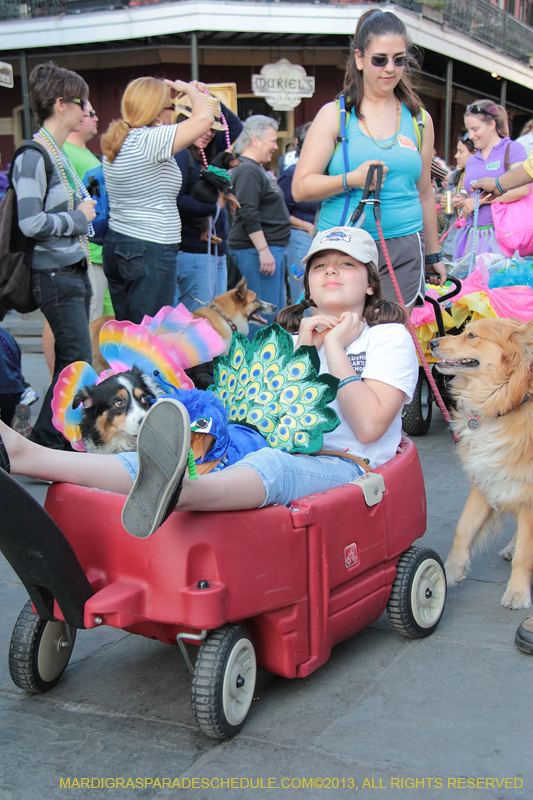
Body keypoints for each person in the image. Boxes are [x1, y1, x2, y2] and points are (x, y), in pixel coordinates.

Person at [0, 226, 418, 540]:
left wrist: (338, 352)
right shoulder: (290, 337)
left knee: (265, 465)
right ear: (307, 281)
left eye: (346, 264)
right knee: (178, 452)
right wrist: (307, 345)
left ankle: (179, 493)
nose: (332, 272)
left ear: (370, 281)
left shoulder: (387, 337)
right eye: (321, 265)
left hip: (342, 463)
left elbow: (368, 427)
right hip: (264, 444)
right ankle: (28, 455)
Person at [292, 9, 446, 311]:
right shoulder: (334, 115)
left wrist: (434, 255)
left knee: (391, 341)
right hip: (342, 248)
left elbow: (425, 193)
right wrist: (351, 179)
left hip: (403, 249)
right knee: (336, 340)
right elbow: (301, 187)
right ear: (360, 59)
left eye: (399, 59)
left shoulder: (419, 119)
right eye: (380, 59)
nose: (390, 68)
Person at [10, 62, 97, 450]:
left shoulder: (54, 152)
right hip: (55, 273)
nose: (87, 111)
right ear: (62, 105)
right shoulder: (33, 154)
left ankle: (51, 440)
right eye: (82, 103)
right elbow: (30, 222)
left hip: (69, 271)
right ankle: (48, 441)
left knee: (73, 359)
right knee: (75, 360)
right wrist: (79, 218)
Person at [101, 77, 213, 324]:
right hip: (150, 247)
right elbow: (205, 120)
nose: (173, 113)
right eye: (171, 107)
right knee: (149, 336)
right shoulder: (148, 140)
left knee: (129, 334)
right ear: (157, 112)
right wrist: (190, 90)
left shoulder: (121, 142)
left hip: (120, 242)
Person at [174, 90, 243, 311]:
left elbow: (235, 127)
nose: (209, 133)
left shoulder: (206, 154)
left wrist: (206, 95)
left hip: (214, 253)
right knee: (198, 323)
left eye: (213, 130)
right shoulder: (181, 154)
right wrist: (214, 206)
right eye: (204, 126)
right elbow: (178, 202)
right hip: (195, 252)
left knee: (214, 322)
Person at [228, 115, 291, 324]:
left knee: (271, 315)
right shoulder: (247, 169)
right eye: (272, 140)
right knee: (261, 317)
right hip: (256, 252)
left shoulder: (253, 168)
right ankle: (259, 357)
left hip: (264, 251)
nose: (275, 145)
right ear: (255, 140)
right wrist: (264, 250)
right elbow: (248, 212)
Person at [452, 99, 528, 260]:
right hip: (470, 235)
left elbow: (522, 189)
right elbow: (474, 193)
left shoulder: (513, 149)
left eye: (475, 129)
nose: (470, 136)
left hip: (501, 237)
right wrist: (464, 200)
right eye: (468, 130)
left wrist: (479, 201)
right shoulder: (472, 160)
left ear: (492, 125)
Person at [64, 99, 111, 321]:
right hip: (85, 253)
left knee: (104, 323)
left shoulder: (89, 155)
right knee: (86, 322)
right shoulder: (63, 151)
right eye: (90, 113)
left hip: (101, 252)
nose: (96, 118)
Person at [278, 123, 319, 304]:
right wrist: (307, 226)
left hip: (320, 237)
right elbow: (279, 213)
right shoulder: (291, 174)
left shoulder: (325, 175)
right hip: (301, 237)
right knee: (303, 291)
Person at [440, 134, 475, 260]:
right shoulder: (455, 177)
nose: (456, 156)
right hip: (452, 243)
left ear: (475, 153)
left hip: (473, 244)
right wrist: (445, 206)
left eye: (461, 152)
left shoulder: (484, 176)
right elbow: (448, 217)